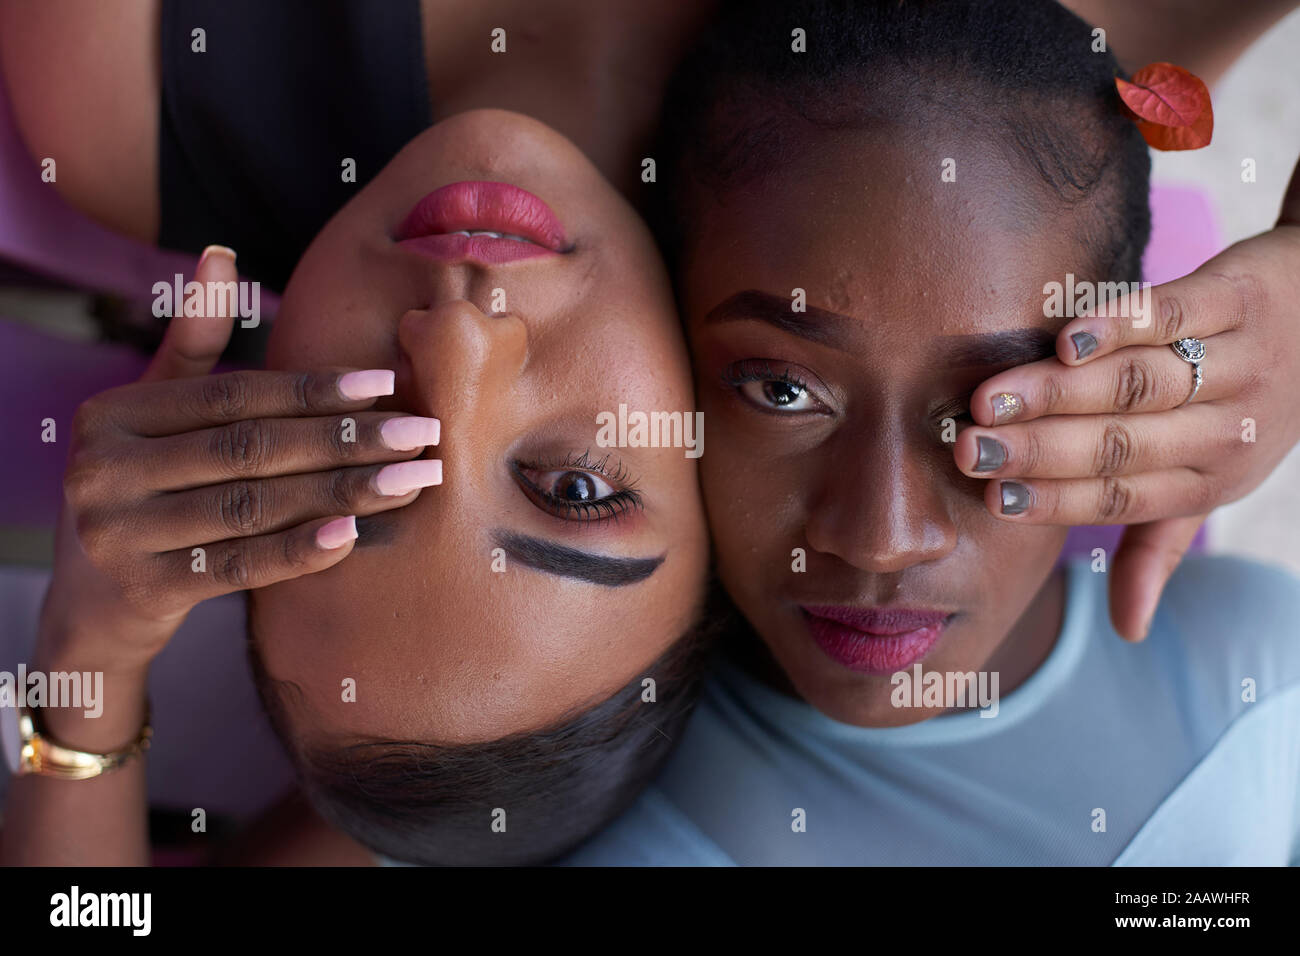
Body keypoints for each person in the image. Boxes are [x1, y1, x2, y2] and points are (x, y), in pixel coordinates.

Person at [3, 0, 1299, 640]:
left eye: (368, 469)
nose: (457, 340)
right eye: (571, 485)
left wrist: (94, 675)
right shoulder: (1070, 55)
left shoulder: (145, 99)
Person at [562, 0, 1300, 865]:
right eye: (780, 389)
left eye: (997, 396)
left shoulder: (1259, 676)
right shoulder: (552, 753)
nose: (883, 540)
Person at [0, 109, 711, 867]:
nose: (455, 337)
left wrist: (89, 654)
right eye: (575, 487)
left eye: (345, 475)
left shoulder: (138, 124)